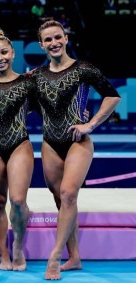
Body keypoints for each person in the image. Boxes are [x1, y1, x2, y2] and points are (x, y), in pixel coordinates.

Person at [32, 20, 121, 280]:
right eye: (48, 40)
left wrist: (91, 124)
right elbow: (22, 101)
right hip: (50, 143)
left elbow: (112, 96)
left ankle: (56, 256)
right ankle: (75, 257)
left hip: (78, 143)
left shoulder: (83, 69)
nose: (54, 43)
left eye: (58, 37)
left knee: (69, 194)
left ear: (66, 38)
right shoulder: (37, 75)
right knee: (61, 200)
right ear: (41, 45)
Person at [0, 29, 36, 272]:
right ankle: (3, 254)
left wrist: (80, 115)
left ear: (12, 53)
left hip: (19, 144)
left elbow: (53, 107)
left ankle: (19, 247)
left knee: (18, 200)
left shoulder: (27, 82)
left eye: (3, 52)